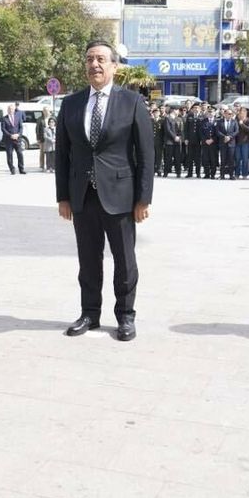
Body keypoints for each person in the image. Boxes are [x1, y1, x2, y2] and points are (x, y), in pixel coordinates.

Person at [56, 41, 153, 343]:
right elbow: (62, 154)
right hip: (82, 195)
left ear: (114, 66)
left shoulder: (131, 102)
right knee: (88, 260)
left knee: (124, 260)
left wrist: (143, 198)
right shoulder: (71, 104)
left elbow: (146, 154)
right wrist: (63, 197)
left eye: (100, 59)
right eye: (89, 59)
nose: (94, 65)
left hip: (121, 197)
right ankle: (89, 313)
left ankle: (125, 316)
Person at [1, 103, 27, 174]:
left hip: (17, 139)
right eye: (9, 109)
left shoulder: (18, 117)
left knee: (20, 154)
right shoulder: (4, 118)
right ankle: (12, 169)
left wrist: (18, 134)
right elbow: (3, 129)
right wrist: (10, 135)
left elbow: (21, 127)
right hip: (9, 140)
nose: (10, 110)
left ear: (14, 110)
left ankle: (21, 169)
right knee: (9, 155)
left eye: (12, 109)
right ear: (7, 110)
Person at [163, 108, 184, 177]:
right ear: (173, 110)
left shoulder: (178, 119)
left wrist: (179, 137)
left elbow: (181, 129)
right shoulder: (167, 118)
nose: (178, 111)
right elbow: (168, 130)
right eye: (177, 110)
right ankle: (166, 172)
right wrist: (174, 137)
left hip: (177, 141)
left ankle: (178, 172)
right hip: (169, 141)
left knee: (177, 158)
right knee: (168, 158)